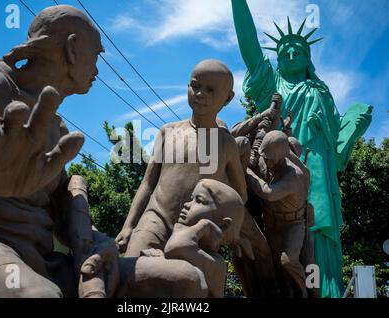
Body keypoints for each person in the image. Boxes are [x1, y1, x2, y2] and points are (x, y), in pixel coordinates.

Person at [0, 5, 118, 297]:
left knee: (175, 279)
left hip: (42, 258)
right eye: (95, 54)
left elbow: (62, 216)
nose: (97, 69)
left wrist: (97, 241)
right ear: (73, 48)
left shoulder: (54, 127)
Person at [231, 0, 372, 297]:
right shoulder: (270, 86)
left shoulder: (321, 91)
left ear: (308, 58)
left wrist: (354, 125)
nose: (292, 54)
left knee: (317, 231)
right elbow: (251, 50)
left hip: (318, 171)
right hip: (280, 168)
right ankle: (292, 289)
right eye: (285, 52)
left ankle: (320, 290)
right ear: (279, 60)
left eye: (299, 51)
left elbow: (338, 141)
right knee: (283, 234)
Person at [115, 59, 248, 257]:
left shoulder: (225, 144)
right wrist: (129, 226)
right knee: (131, 270)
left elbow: (240, 195)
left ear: (227, 98)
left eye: (211, 90)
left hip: (195, 231)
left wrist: (222, 229)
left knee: (185, 283)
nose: (200, 94)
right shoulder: (167, 132)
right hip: (155, 218)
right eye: (195, 86)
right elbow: (148, 184)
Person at [114, 179, 251, 298]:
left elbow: (177, 246)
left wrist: (203, 225)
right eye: (191, 198)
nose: (187, 204)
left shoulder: (217, 264)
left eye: (199, 200)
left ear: (223, 225)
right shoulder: (190, 249)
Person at [246, 131, 309, 297]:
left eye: (271, 158)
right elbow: (257, 160)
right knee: (275, 263)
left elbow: (269, 193)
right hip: (272, 222)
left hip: (293, 224)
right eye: (265, 157)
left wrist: (248, 173)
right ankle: (284, 292)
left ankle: (302, 290)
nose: (266, 161)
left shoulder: (294, 175)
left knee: (288, 261)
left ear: (282, 156)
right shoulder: (266, 159)